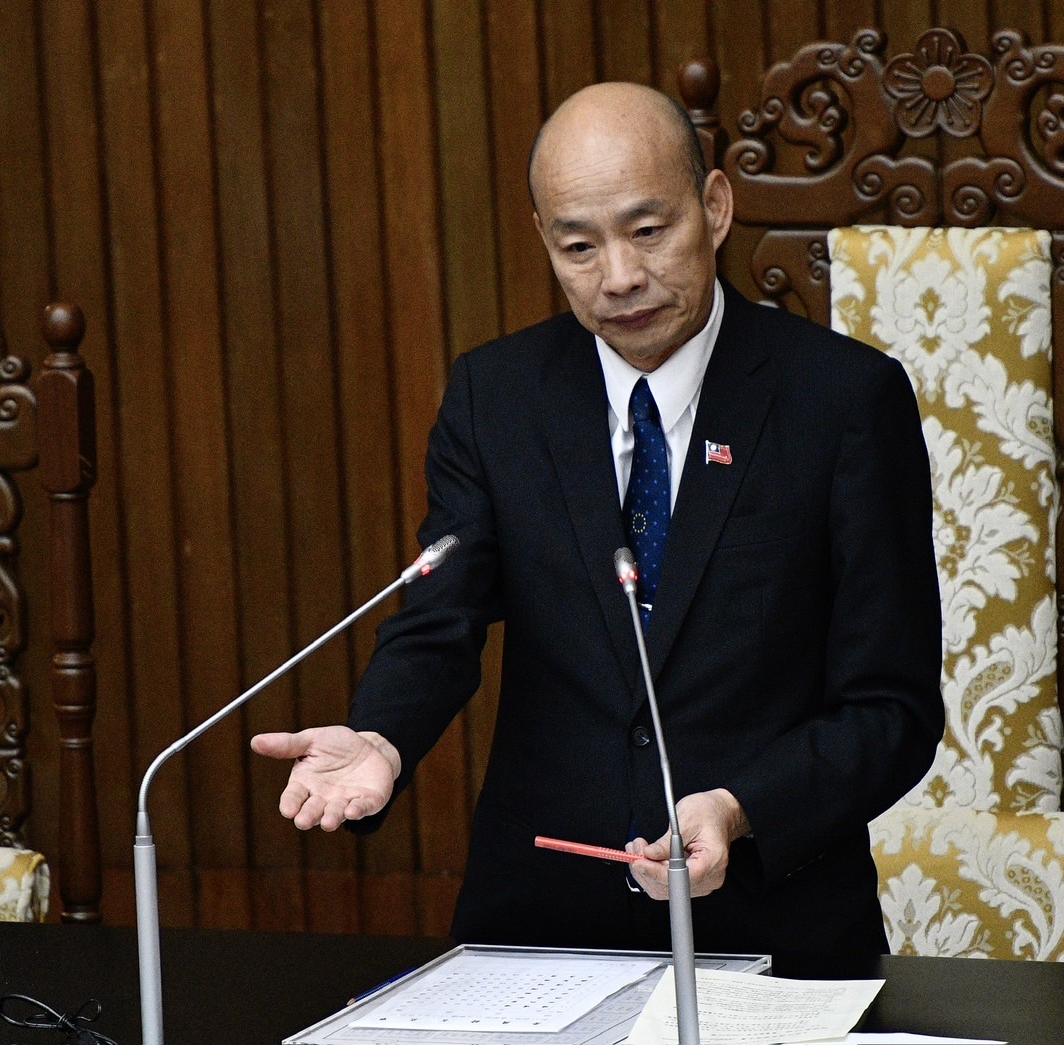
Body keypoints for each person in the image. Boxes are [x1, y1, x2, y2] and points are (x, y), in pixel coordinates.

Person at [251, 81, 942, 957]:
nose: (619, 277)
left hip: (773, 921)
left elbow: (892, 707)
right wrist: (382, 735)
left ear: (715, 206)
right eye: (579, 246)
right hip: (538, 920)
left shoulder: (841, 401)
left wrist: (740, 807)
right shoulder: (496, 397)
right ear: (544, 240)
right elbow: (439, 613)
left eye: (649, 232)